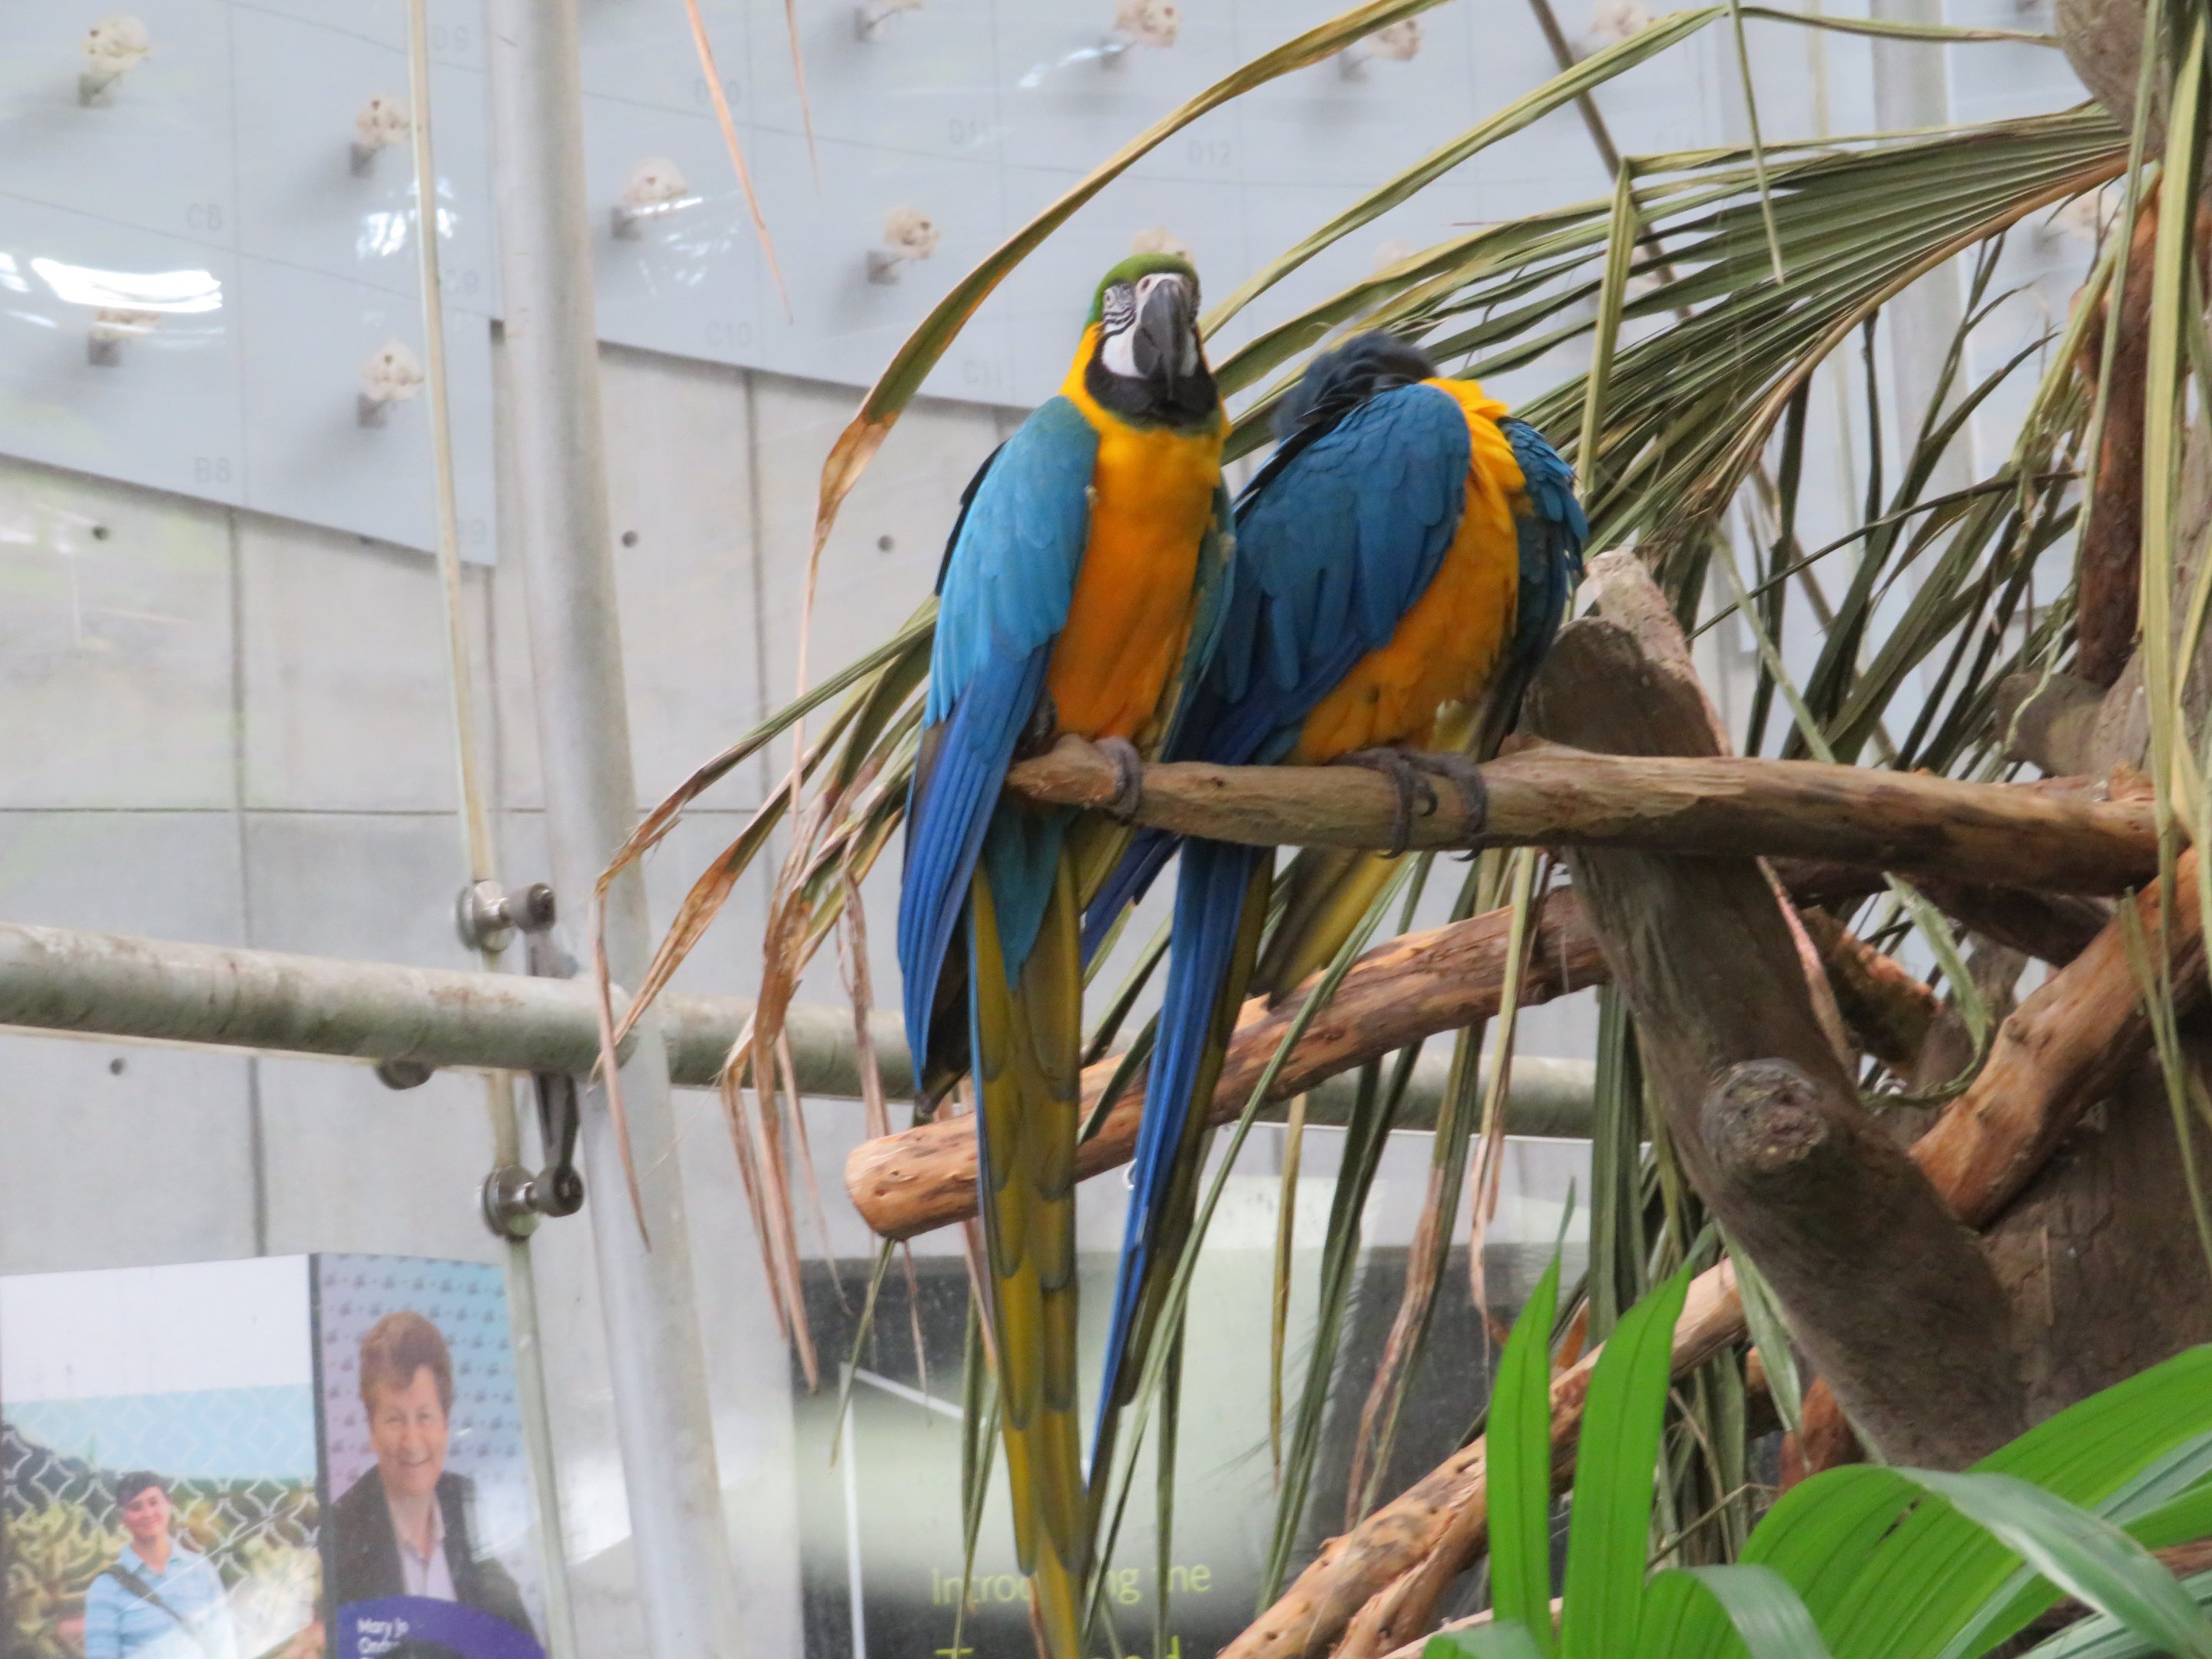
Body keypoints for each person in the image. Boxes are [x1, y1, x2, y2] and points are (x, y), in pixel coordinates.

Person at [326, 1311, 535, 1649]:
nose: (412, 1442)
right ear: (371, 1429)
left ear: (446, 1422)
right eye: (395, 1419)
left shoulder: (464, 1503)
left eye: (424, 1417)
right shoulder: (340, 1533)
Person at [82, 1472, 242, 1659]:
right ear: (122, 1518)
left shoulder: (200, 1570)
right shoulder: (106, 1588)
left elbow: (223, 1647)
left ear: (169, 1504)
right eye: (136, 1507)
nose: (148, 1514)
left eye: (154, 1502)